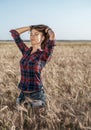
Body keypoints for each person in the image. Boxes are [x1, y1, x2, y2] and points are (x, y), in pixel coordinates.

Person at [10, 24, 55, 114]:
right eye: (31, 34)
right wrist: (30, 27)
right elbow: (14, 33)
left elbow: (52, 36)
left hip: (36, 95)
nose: (32, 37)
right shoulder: (26, 52)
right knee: (21, 123)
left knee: (37, 124)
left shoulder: (44, 55)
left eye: (36, 34)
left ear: (42, 38)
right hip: (22, 94)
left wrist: (48, 29)